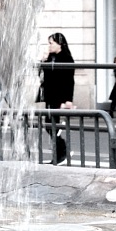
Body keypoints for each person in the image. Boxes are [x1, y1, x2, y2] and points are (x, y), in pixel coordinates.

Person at [39, 32, 75, 163]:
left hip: (59, 96)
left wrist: (68, 100)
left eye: (51, 43)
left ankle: (62, 152)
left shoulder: (66, 58)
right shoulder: (51, 57)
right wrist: (43, 61)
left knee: (53, 125)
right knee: (49, 124)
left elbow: (70, 81)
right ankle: (61, 153)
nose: (49, 46)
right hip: (50, 95)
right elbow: (44, 76)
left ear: (59, 44)